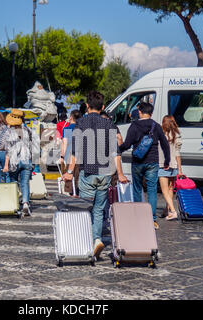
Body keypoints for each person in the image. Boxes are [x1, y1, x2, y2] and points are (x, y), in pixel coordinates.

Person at [63, 91, 128, 260]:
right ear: (103, 107)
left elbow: (75, 152)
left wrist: (69, 172)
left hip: (88, 171)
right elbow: (116, 152)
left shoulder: (81, 123)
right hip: (105, 173)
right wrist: (120, 174)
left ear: (86, 106)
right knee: (99, 210)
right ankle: (97, 239)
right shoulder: (109, 124)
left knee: (86, 209)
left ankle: (88, 242)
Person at [119, 102, 170, 230]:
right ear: (151, 113)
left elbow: (127, 143)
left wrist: (118, 149)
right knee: (152, 190)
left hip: (137, 162)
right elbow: (165, 144)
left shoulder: (134, 126)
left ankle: (138, 217)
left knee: (137, 188)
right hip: (152, 162)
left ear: (140, 112)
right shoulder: (156, 126)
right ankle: (152, 219)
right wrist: (167, 160)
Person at [3, 109, 33, 216]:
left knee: (13, 182)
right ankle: (25, 204)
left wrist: (6, 165)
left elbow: (8, 151)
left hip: (14, 161)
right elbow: (32, 146)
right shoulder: (28, 130)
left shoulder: (9, 133)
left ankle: (14, 203)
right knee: (25, 183)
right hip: (26, 160)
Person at [158, 115, 183, 221]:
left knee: (164, 191)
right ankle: (167, 210)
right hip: (174, 165)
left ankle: (173, 211)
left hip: (162, 165)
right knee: (170, 189)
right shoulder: (176, 134)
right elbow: (178, 153)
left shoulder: (160, 134)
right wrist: (180, 169)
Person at [59, 109, 82, 195]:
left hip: (69, 157)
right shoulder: (81, 128)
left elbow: (64, 144)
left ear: (71, 117)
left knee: (70, 181)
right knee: (78, 178)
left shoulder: (67, 129)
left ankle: (72, 195)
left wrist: (62, 157)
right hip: (80, 157)